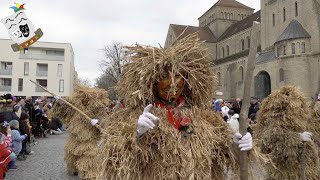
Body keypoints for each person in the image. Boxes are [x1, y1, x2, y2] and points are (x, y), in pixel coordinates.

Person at [89, 34, 254, 179]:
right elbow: (113, 161)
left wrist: (237, 144)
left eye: (178, 76)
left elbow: (222, 152)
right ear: (152, 81)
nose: (173, 83)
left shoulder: (204, 117)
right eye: (164, 76)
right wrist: (136, 134)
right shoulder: (136, 116)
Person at [255, 86, 320, 179]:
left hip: (306, 167)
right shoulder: (273, 121)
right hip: (285, 169)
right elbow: (271, 140)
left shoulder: (302, 119)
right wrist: (298, 137)